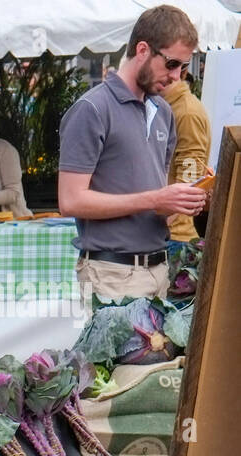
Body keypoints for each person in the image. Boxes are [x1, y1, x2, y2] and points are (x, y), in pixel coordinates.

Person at [58, 4, 206, 301]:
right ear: (142, 50)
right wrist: (155, 198)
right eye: (171, 63)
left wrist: (186, 198)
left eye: (184, 67)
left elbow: (154, 199)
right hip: (111, 272)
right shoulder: (92, 109)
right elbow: (70, 200)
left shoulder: (163, 111)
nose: (177, 76)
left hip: (160, 268)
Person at [162, 74, 210, 246]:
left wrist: (161, 224)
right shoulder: (168, 106)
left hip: (173, 236)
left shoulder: (186, 112)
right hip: (167, 233)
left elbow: (191, 179)